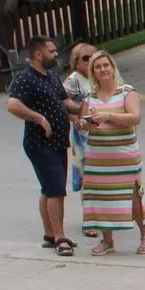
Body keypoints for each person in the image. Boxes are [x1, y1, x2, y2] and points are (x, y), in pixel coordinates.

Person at [5, 35, 79, 256]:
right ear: (38, 54)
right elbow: (12, 104)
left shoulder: (52, 77)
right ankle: (60, 238)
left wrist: (84, 109)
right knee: (56, 189)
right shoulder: (26, 78)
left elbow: (65, 101)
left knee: (49, 189)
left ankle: (50, 233)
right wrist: (39, 118)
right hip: (40, 143)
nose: (56, 54)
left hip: (58, 142)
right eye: (52, 51)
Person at [77, 52, 145, 256]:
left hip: (124, 155)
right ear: (93, 72)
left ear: (113, 67)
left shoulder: (127, 92)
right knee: (101, 197)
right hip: (98, 157)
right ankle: (107, 240)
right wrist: (85, 123)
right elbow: (83, 123)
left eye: (106, 65)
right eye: (97, 67)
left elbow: (135, 118)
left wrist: (108, 116)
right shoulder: (90, 97)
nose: (103, 70)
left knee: (133, 195)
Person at [64, 43, 96, 229]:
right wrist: (74, 117)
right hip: (83, 136)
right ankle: (89, 219)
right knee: (88, 177)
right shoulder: (74, 80)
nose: (91, 60)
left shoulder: (98, 76)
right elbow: (62, 101)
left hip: (100, 133)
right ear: (76, 62)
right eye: (85, 58)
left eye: (93, 56)